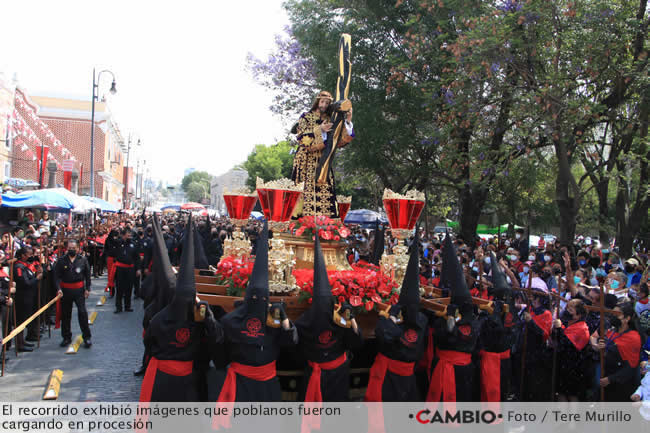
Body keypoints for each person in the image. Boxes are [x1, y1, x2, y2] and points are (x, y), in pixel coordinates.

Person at [214, 222, 297, 429]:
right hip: (240, 383)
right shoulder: (230, 321)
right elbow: (220, 357)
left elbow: (290, 342)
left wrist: (286, 321)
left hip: (267, 384)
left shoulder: (273, 320)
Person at [139, 217, 223, 402]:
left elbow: (215, 339)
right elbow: (149, 343)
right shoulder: (158, 318)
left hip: (192, 377)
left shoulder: (198, 318)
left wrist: (208, 317)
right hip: (165, 378)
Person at [295, 235, 362, 403]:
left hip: (338, 375)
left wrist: (351, 320)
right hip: (314, 373)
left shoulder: (337, 320)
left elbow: (355, 342)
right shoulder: (305, 322)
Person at [426, 235, 477, 403]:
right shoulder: (442, 316)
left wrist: (451, 321)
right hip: (444, 366)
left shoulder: (472, 321)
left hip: (463, 370)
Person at [291, 90, 354, 218]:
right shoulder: (305, 116)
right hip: (306, 161)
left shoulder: (330, 119)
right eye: (322, 101)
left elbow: (339, 141)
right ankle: (301, 221)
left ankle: (326, 223)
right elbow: (302, 138)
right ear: (317, 102)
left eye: (327, 103)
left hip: (323, 161)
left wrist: (347, 121)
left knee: (325, 189)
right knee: (304, 190)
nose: (324, 105)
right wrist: (319, 129)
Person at [591, 302, 643, 401]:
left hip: (620, 383)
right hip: (605, 376)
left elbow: (631, 366)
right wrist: (597, 346)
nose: (613, 316)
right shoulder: (611, 330)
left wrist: (611, 379)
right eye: (613, 313)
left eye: (617, 314)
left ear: (627, 319)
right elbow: (594, 338)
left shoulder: (633, 337)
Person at [54, 240, 92, 348]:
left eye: (73, 248)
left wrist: (88, 288)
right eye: (69, 248)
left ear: (78, 249)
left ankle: (87, 337)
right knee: (66, 315)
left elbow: (87, 275)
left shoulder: (83, 260)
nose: (71, 250)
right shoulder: (61, 261)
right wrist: (58, 289)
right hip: (65, 291)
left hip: (79, 290)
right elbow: (56, 277)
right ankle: (66, 337)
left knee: (82, 313)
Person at [552, 299, 590, 401]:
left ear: (579, 315)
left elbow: (568, 344)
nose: (567, 311)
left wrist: (560, 329)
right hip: (562, 364)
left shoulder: (582, 328)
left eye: (571, 309)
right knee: (560, 393)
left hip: (573, 367)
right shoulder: (567, 323)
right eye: (567, 308)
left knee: (572, 395)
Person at [13, 247, 41, 352]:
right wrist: (36, 278)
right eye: (29, 255)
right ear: (23, 255)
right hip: (22, 298)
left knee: (25, 320)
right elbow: (25, 283)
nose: (31, 256)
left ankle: (23, 341)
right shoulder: (19, 267)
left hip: (29, 297)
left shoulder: (26, 266)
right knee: (20, 321)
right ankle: (19, 344)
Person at [113, 228, 141, 313]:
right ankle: (118, 307)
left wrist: (138, 269)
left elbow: (137, 258)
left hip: (130, 269)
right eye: (127, 235)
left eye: (130, 235)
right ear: (123, 235)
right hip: (120, 269)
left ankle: (127, 306)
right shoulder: (118, 243)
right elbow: (110, 244)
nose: (129, 236)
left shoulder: (134, 244)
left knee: (129, 288)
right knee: (119, 288)